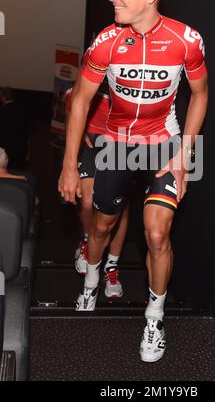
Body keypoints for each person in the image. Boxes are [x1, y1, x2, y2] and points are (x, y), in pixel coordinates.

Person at [59, 0, 208, 363]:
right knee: (102, 224)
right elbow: (80, 102)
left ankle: (155, 317)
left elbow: (200, 94)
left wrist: (186, 150)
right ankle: (90, 280)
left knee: (158, 234)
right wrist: (70, 165)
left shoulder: (186, 40)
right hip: (116, 143)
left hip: (166, 145)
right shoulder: (106, 41)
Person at [65, 58, 129, 298]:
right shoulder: (87, 74)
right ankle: (86, 239)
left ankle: (111, 268)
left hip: (119, 144)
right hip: (90, 142)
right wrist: (81, 136)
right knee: (86, 202)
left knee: (119, 208)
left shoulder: (129, 79)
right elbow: (72, 109)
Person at [0, 87, 29, 169]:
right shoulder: (23, 111)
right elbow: (28, 131)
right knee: (18, 174)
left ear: (2, 97)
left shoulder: (1, 111)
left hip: (4, 151)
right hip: (20, 150)